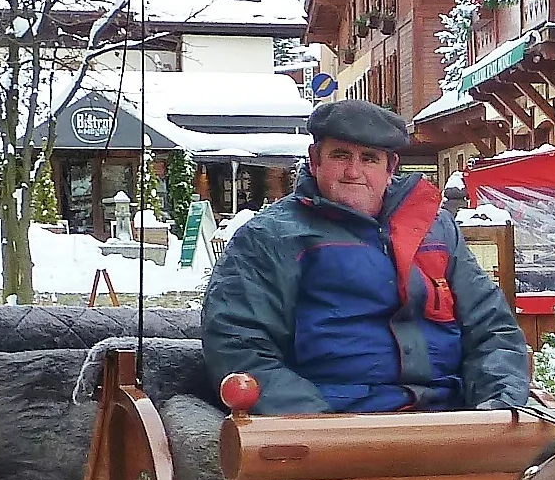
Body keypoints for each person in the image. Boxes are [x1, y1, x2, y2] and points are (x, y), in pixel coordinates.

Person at [202, 99, 529, 414]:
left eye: (369, 158)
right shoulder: (269, 238)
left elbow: (491, 328)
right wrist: (318, 427)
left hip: (450, 418)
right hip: (337, 423)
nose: (353, 171)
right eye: (340, 155)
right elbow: (239, 346)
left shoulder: (437, 229)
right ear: (315, 160)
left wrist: (498, 408)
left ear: (390, 167)